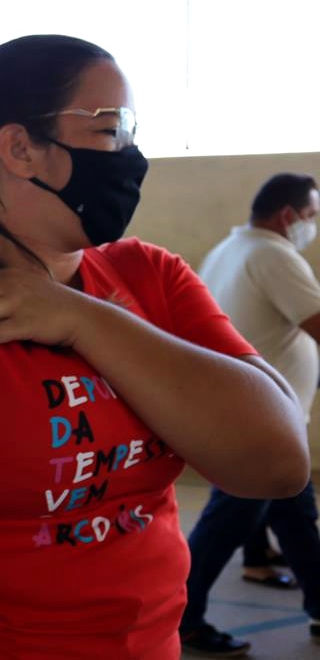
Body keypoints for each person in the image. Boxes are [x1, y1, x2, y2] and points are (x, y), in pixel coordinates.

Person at [0, 35, 309, 659]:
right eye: (112, 128)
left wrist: (82, 318)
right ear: (21, 149)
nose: (133, 154)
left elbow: (278, 461)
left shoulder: (149, 276)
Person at [180, 172, 320, 655]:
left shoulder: (229, 249)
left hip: (257, 415)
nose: (311, 226)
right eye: (311, 217)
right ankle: (184, 617)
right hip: (258, 420)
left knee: (297, 514)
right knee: (226, 522)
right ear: (288, 215)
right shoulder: (273, 254)